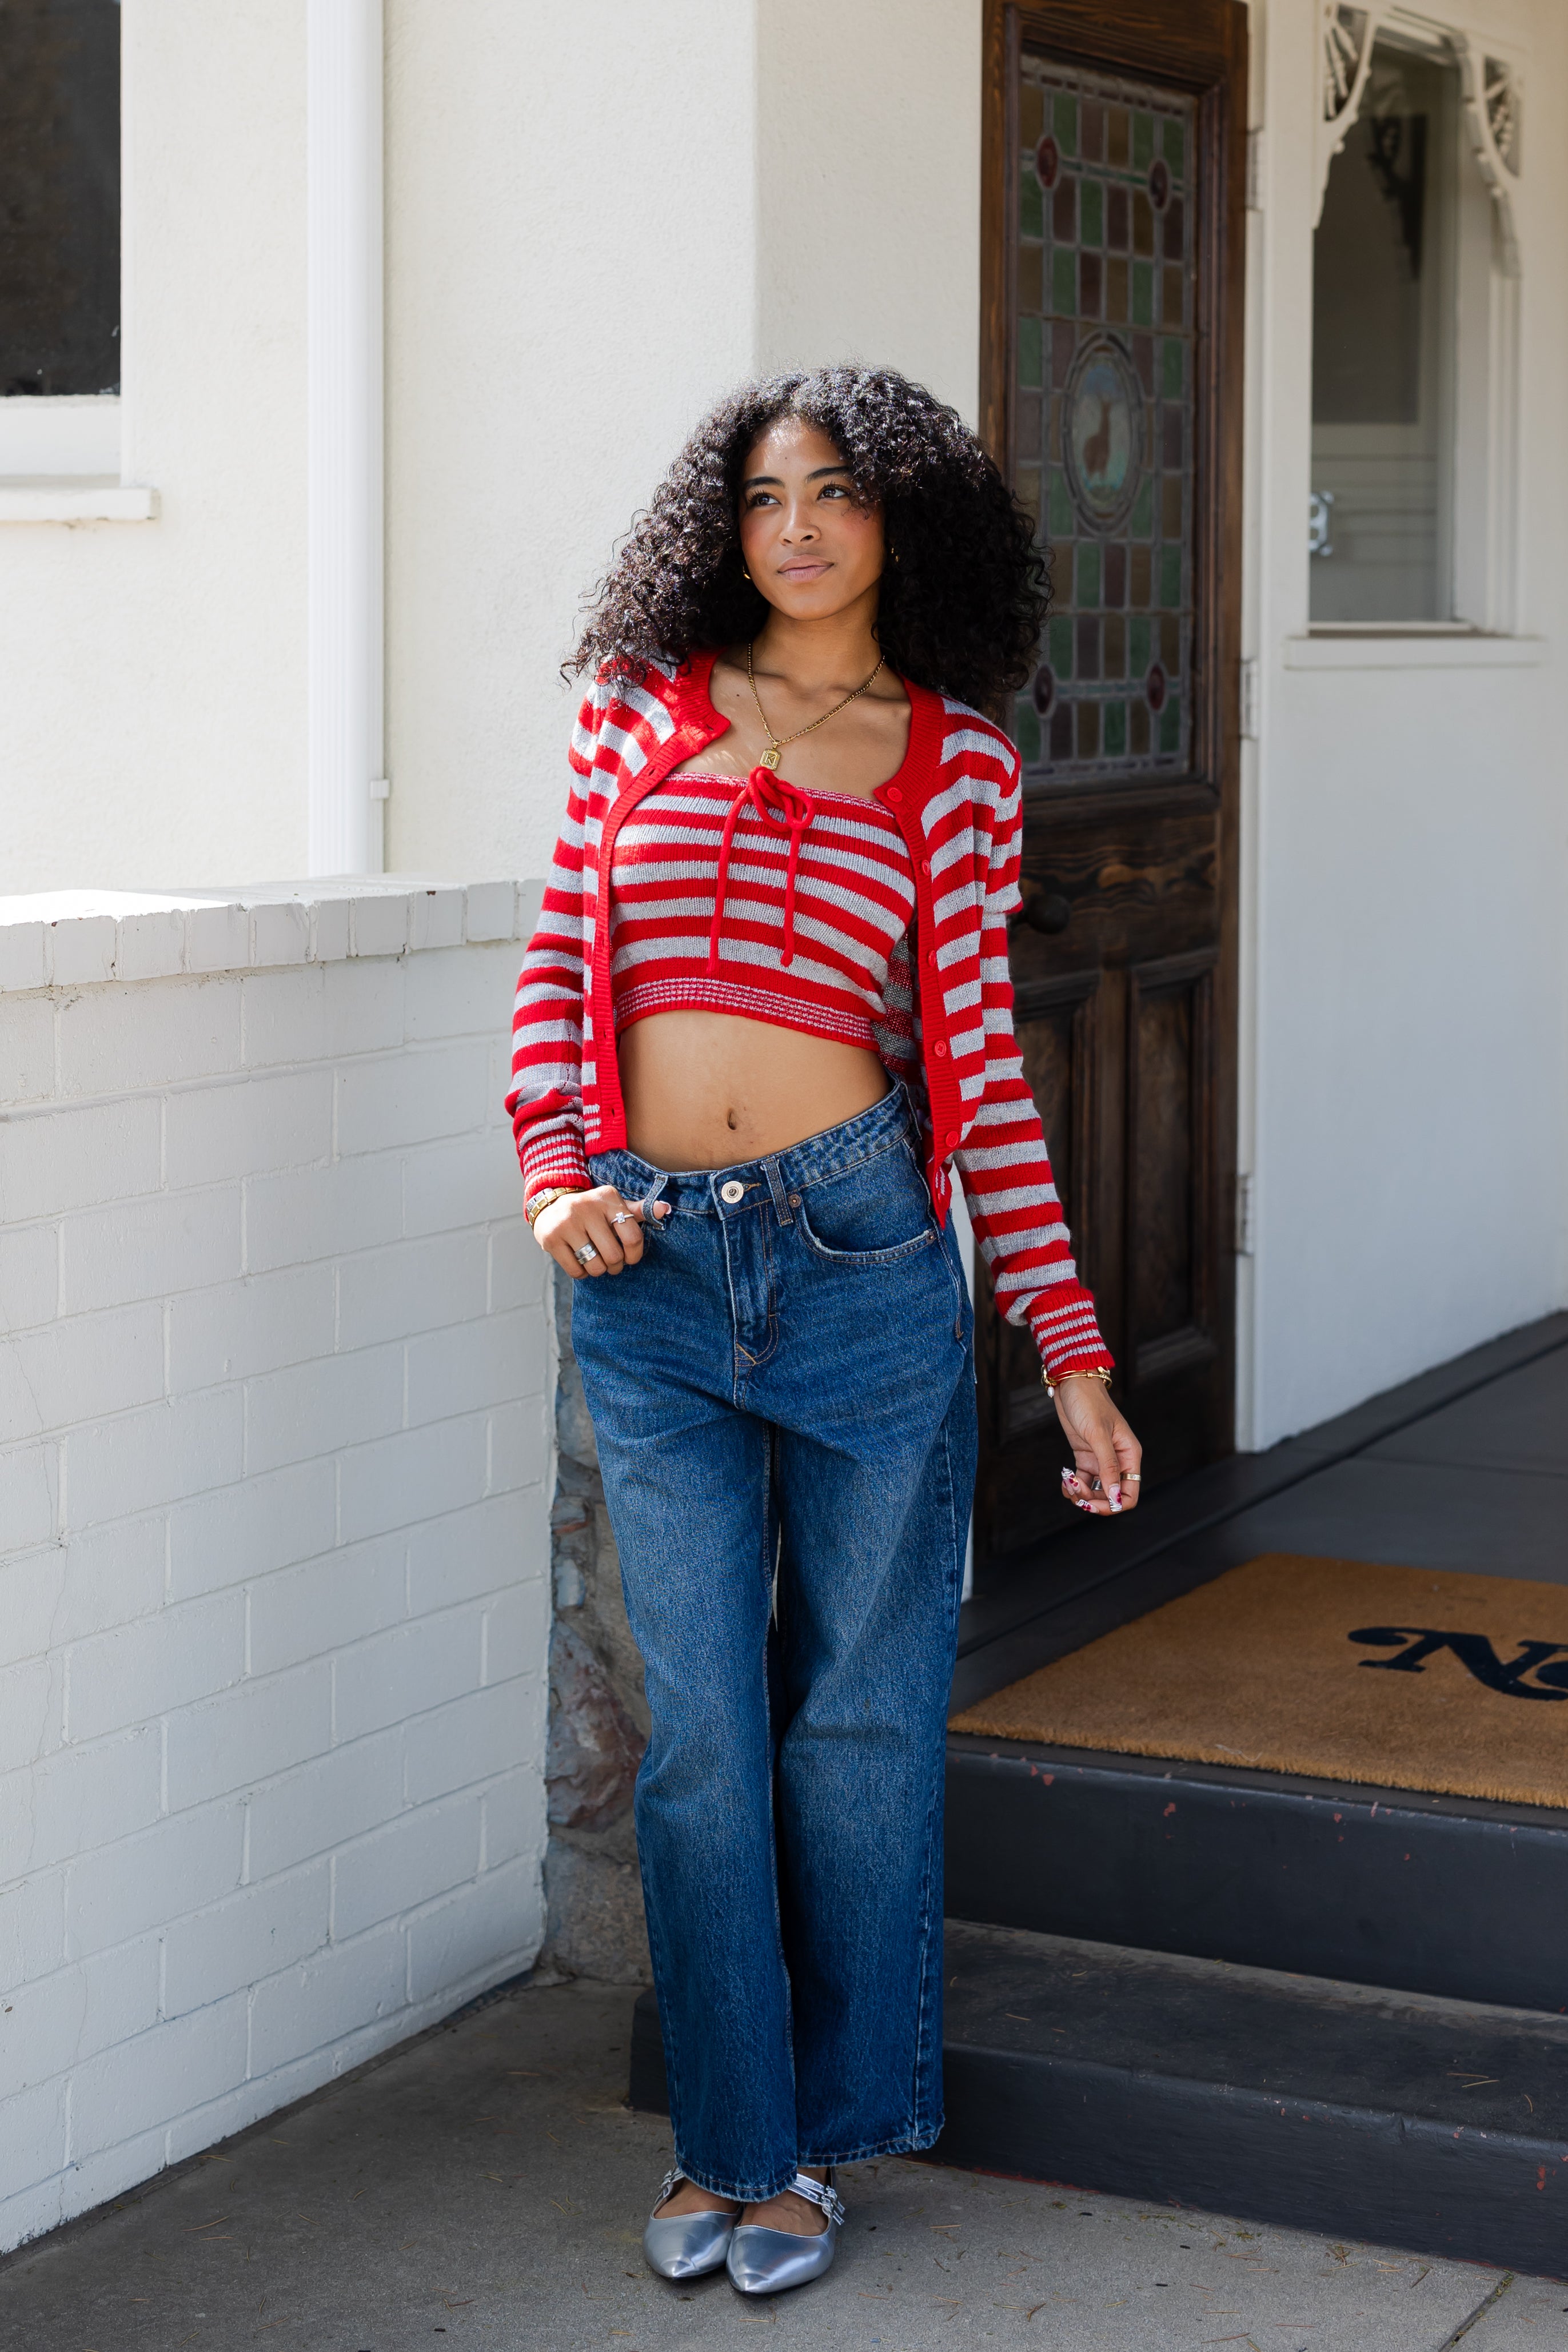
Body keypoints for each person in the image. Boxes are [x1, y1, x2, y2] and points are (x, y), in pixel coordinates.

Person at [505, 366, 1142, 2299]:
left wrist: (1072, 1343)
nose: (796, 525)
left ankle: (822, 2148)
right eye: (766, 493)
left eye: (837, 491)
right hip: (650, 1272)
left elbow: (980, 1074)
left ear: (903, 522)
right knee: (703, 1736)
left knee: (851, 1731)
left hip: (863, 1264)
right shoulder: (640, 710)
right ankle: (732, 2139)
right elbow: (559, 955)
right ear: (726, 522)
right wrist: (556, 1164)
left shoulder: (953, 762)